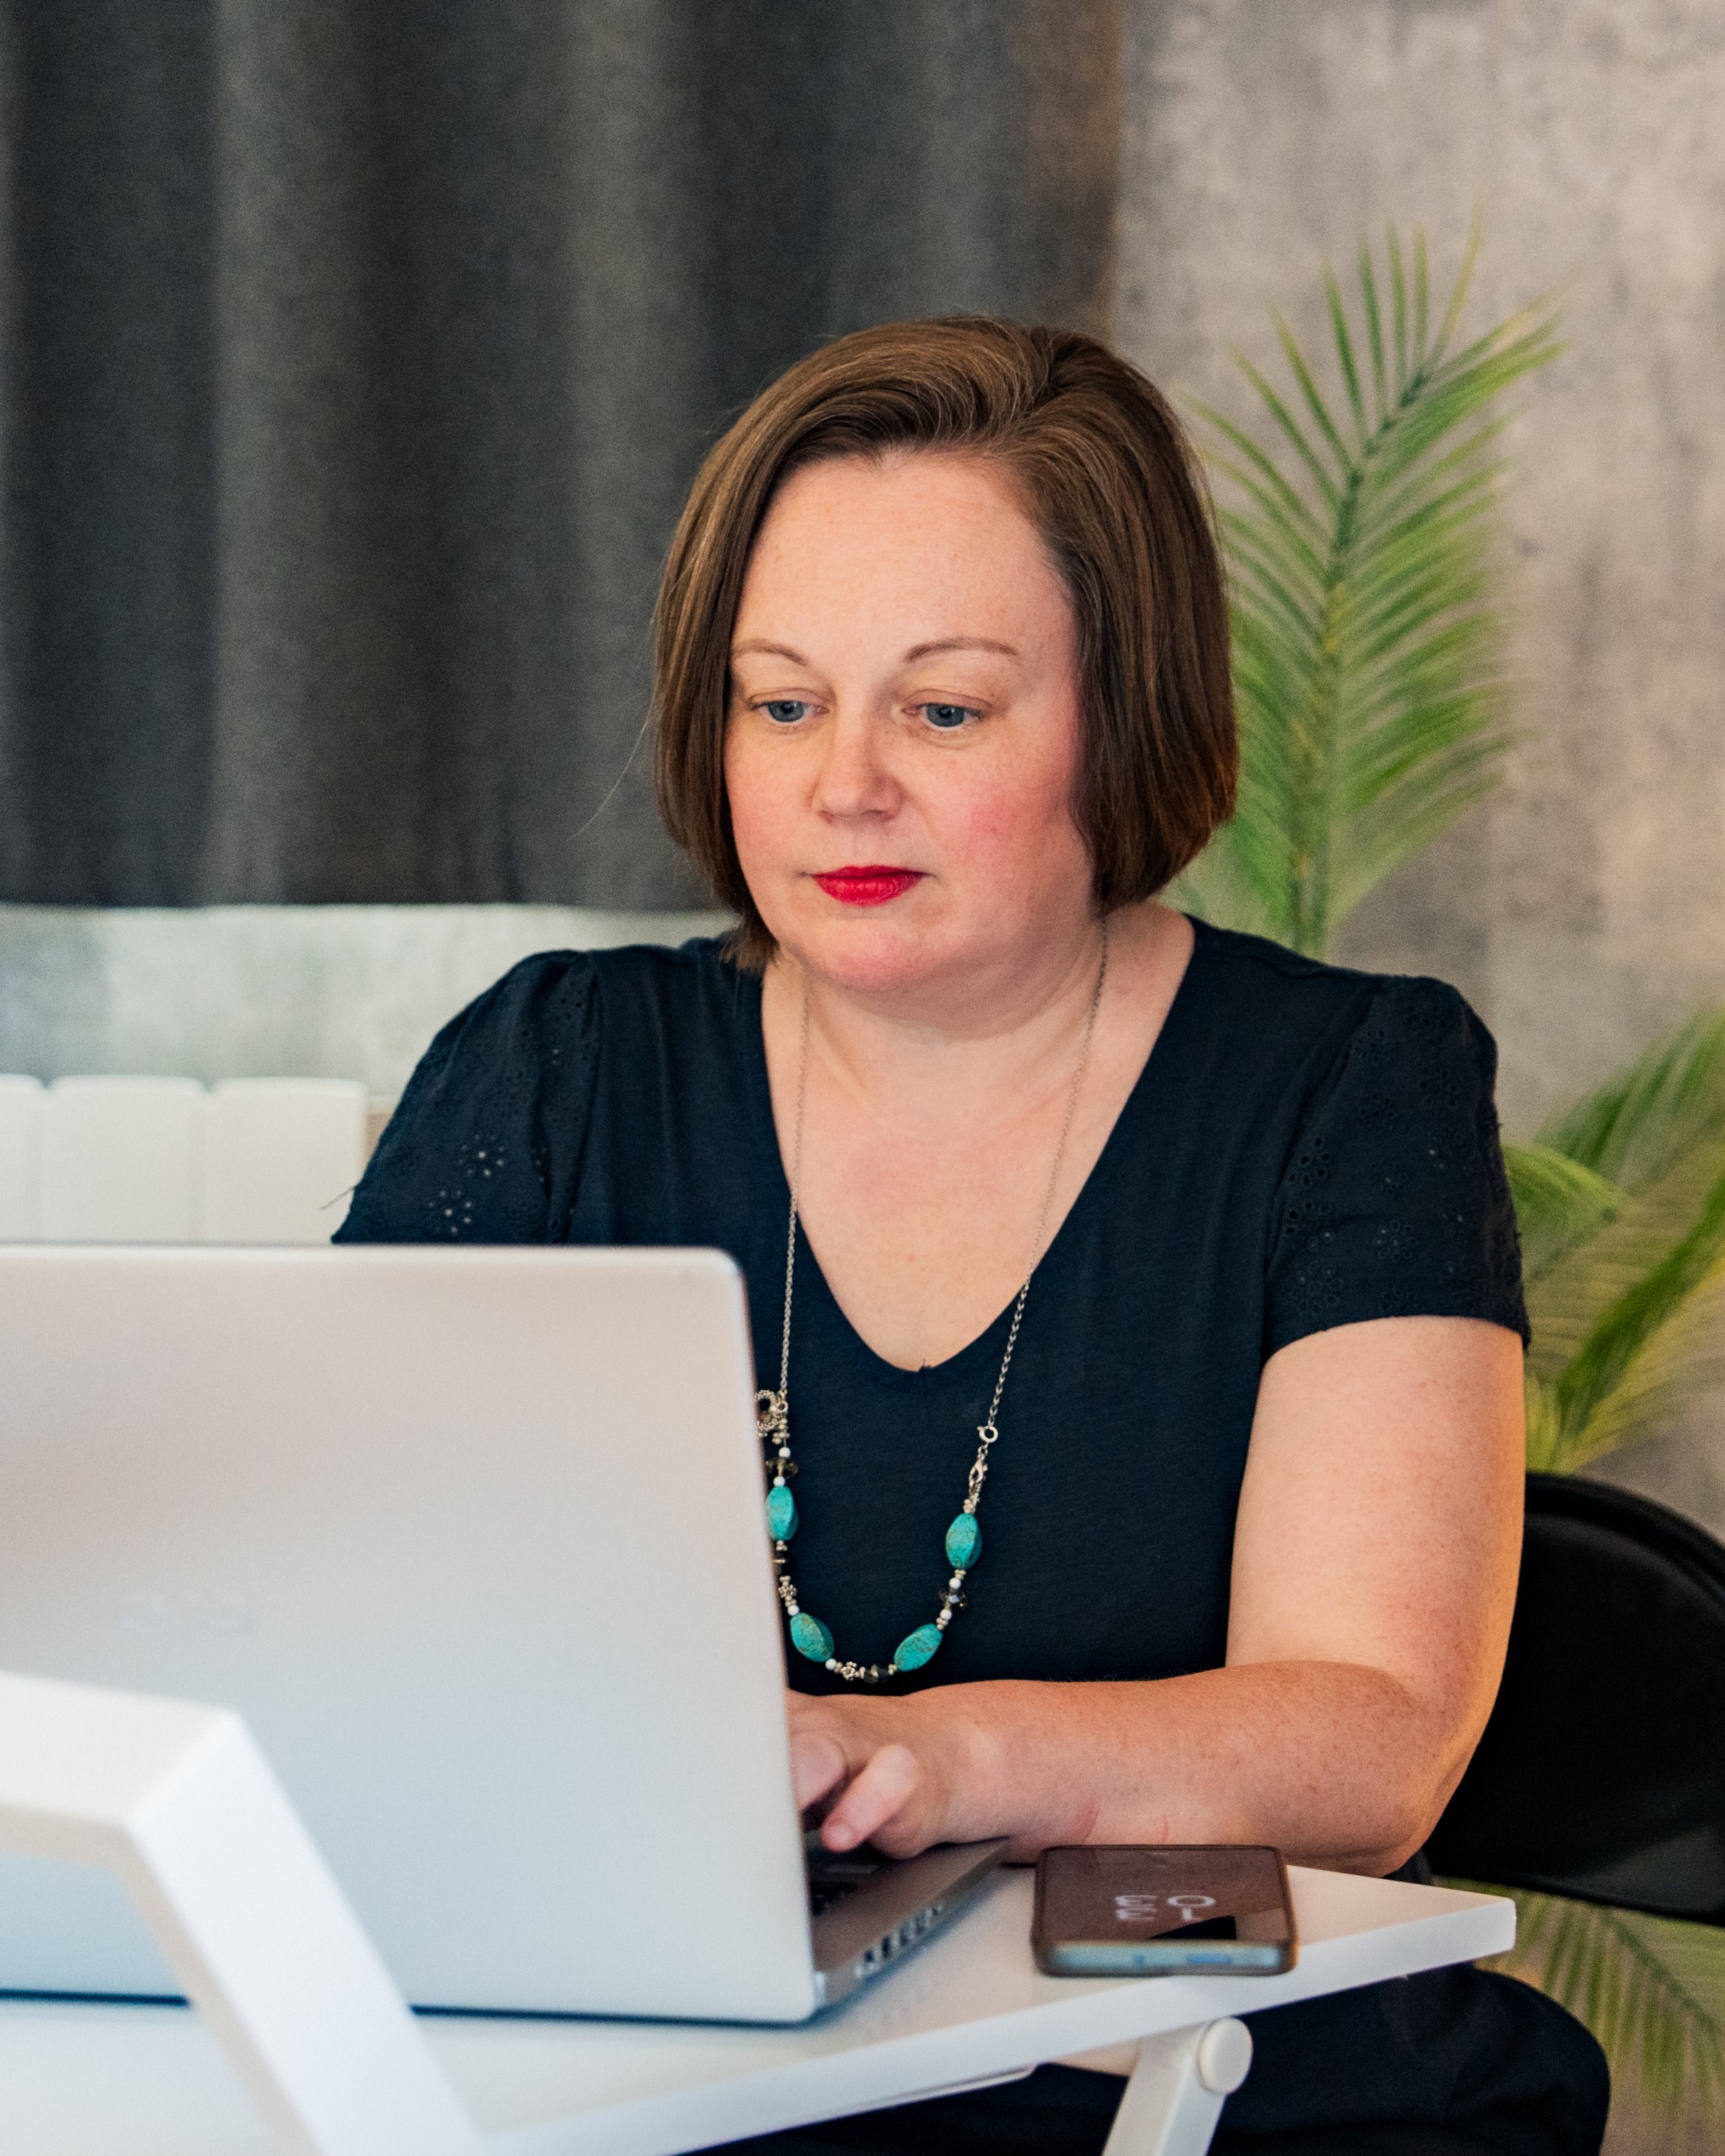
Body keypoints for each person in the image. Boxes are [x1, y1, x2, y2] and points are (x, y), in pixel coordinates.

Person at [337, 318, 1608, 2155]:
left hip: (1184, 2074)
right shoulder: (557, 1065)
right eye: (781, 703)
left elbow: (1370, 1747)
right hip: (656, 2061)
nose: (842, 784)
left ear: (1124, 708)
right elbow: (328, 1620)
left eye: (941, 709)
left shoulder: (1346, 1084)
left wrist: (924, 1763)